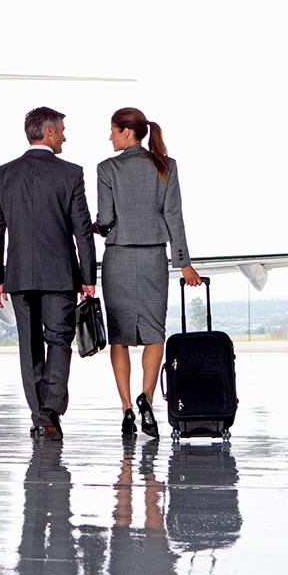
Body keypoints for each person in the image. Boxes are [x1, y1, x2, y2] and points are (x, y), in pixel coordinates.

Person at [0, 107, 97, 440]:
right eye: (62, 129)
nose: (65, 135)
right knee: (59, 340)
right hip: (60, 274)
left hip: (19, 276)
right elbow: (82, 230)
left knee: (29, 345)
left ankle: (40, 415)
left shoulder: (3, 174)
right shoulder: (70, 174)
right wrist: (89, 276)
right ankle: (49, 411)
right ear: (49, 132)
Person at [94, 107, 201, 438]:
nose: (109, 137)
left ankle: (127, 408)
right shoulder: (166, 166)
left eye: (113, 131)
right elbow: (174, 215)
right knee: (155, 334)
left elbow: (107, 218)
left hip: (119, 257)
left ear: (127, 132)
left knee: (120, 336)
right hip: (154, 256)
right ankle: (147, 399)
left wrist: (95, 227)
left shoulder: (106, 168)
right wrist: (183, 262)